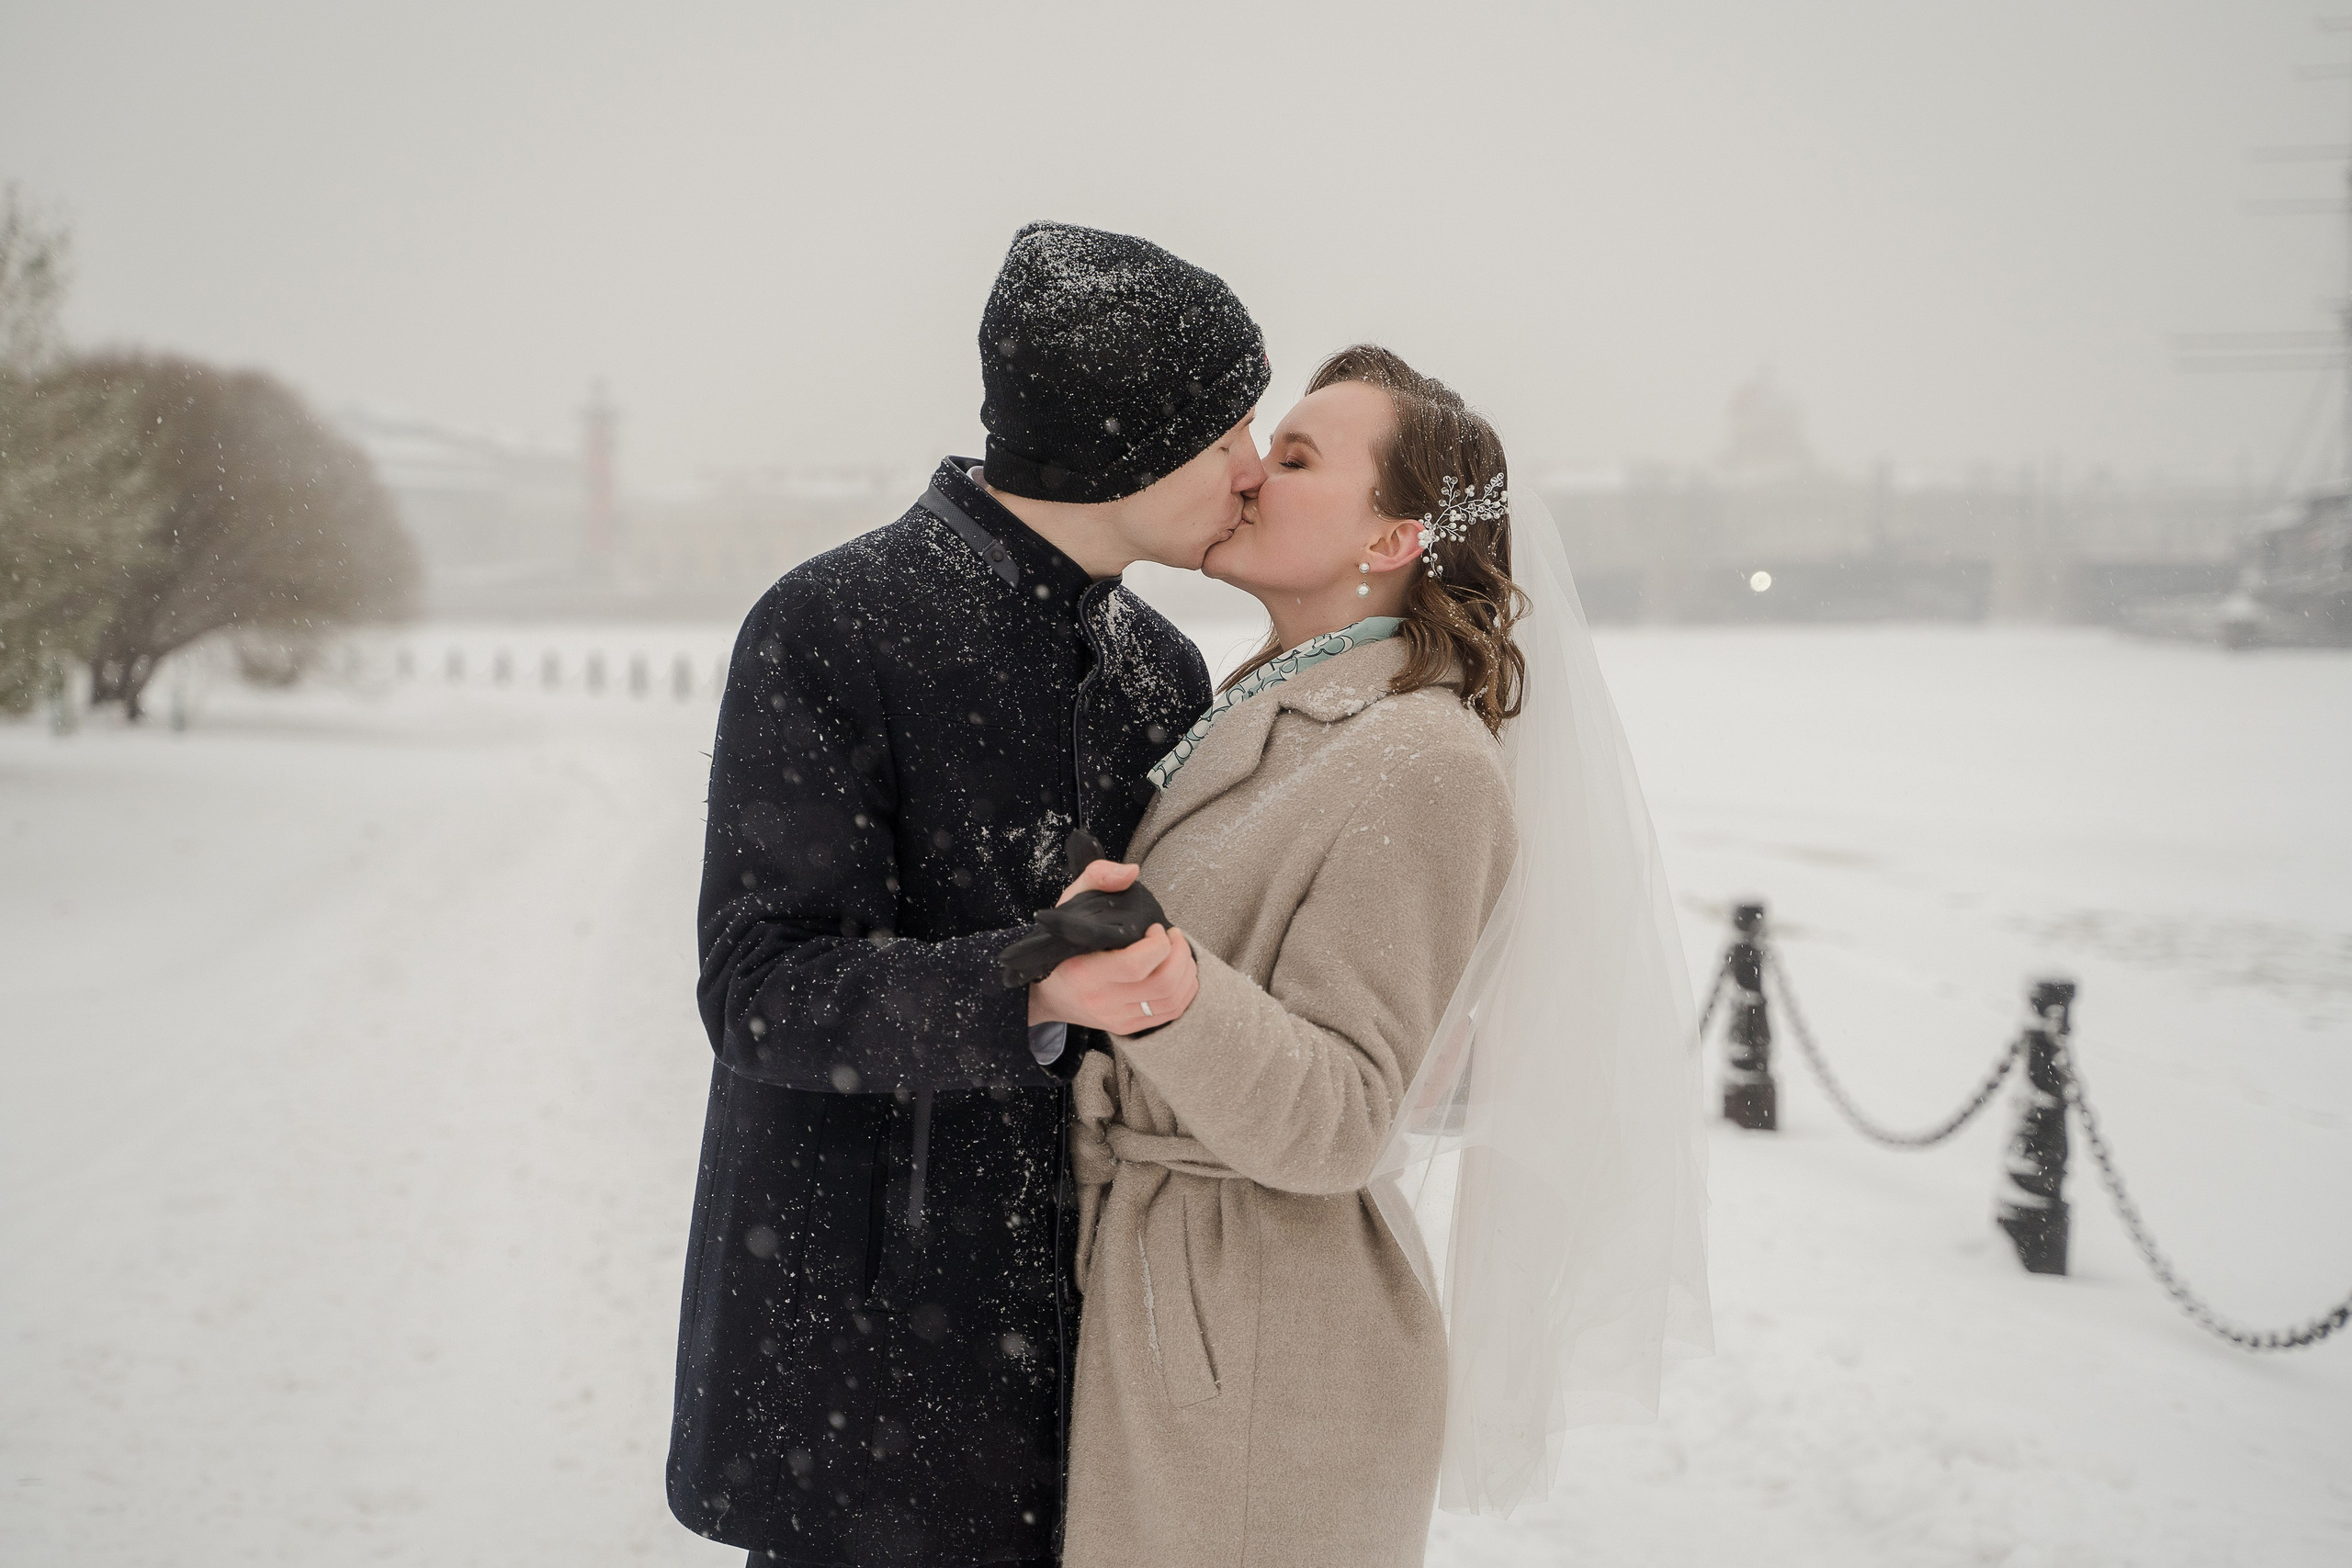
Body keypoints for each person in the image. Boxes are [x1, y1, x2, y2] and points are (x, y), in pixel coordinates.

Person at [1049, 346, 1711, 1567]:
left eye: (1297, 458)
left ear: (1394, 539)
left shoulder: (1425, 762)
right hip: (1188, 1302)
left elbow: (1347, 1116)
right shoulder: (1263, 703)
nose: (1250, 474)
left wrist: (1163, 983)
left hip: (1261, 1353)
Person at [670, 221, 1268, 1568]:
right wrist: (1030, 983)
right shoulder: (831, 625)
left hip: (1095, 1362)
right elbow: (759, 990)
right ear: (1125, 439)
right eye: (1227, 427)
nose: (1252, 464)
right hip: (867, 1365)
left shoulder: (1161, 669)